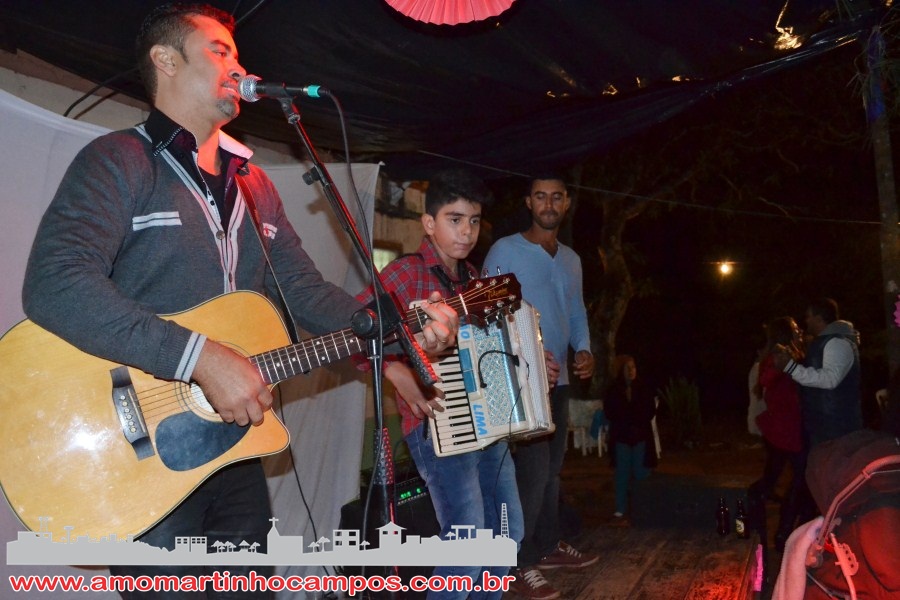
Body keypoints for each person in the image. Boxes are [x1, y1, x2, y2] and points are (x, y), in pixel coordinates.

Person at [20, 4, 456, 597]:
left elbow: (302, 290)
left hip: (232, 444)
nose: (240, 67)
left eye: (238, 54)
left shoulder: (254, 184)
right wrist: (200, 357)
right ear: (166, 60)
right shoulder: (118, 160)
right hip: (139, 450)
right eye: (220, 50)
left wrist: (399, 324)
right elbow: (55, 283)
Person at [356, 169, 524, 600]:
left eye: (474, 221)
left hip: (488, 425)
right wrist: (396, 373)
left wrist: (529, 362)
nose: (467, 231)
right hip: (436, 427)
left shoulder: (475, 280)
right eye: (455, 219)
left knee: (506, 538)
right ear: (429, 223)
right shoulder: (404, 274)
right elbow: (351, 331)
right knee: (466, 547)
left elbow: (491, 347)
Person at [482, 174, 597, 600]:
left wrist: (583, 349)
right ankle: (516, 562)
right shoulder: (505, 250)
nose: (549, 204)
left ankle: (547, 545)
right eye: (540, 196)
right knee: (530, 474)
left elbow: (576, 310)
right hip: (522, 381)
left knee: (551, 471)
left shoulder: (571, 259)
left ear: (567, 203)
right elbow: (486, 312)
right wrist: (522, 355)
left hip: (559, 379)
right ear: (528, 202)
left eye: (556, 197)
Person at [774, 298, 862, 449]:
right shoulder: (825, 342)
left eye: (808, 316)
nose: (806, 321)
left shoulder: (837, 342)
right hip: (826, 423)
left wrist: (791, 367)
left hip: (837, 426)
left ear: (819, 318)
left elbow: (830, 379)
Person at [750, 317, 805, 552]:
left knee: (789, 479)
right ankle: (777, 530)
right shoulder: (778, 356)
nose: (799, 331)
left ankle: (779, 529)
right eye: (795, 328)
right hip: (784, 429)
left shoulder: (791, 354)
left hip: (787, 428)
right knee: (794, 479)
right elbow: (766, 380)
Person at [603, 355, 657, 526]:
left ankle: (642, 506)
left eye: (633, 367)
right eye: (628, 368)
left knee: (641, 472)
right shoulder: (614, 389)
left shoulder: (642, 387)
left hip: (640, 435)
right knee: (622, 473)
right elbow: (610, 411)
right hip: (622, 436)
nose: (632, 371)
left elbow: (649, 410)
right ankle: (621, 508)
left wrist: (636, 422)